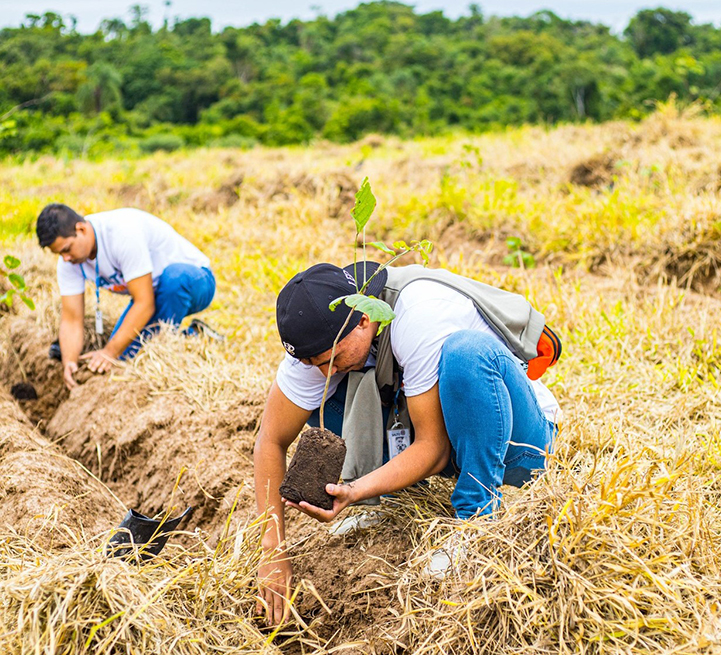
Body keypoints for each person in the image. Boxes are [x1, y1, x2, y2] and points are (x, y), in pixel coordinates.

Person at [254, 260, 562, 625]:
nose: (324, 371)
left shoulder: (417, 313)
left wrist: (352, 491)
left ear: (363, 321)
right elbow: (271, 440)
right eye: (314, 363)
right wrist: (273, 550)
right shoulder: (320, 342)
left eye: (330, 360)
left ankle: (476, 521)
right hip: (446, 434)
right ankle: (383, 502)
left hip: (517, 440)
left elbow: (434, 449)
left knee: (467, 353)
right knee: (321, 398)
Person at [36, 203, 219, 389]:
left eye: (67, 249)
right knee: (123, 359)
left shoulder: (121, 233)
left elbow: (144, 304)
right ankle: (194, 336)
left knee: (123, 355)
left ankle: (187, 343)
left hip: (196, 281)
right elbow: (72, 319)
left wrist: (109, 351)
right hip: (155, 294)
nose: (65, 258)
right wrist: (70, 362)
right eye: (59, 253)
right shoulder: (69, 262)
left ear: (81, 229)